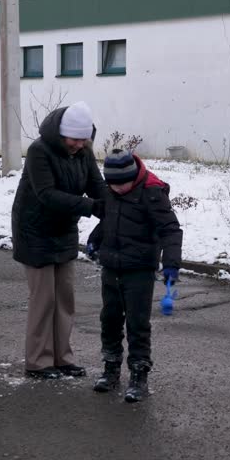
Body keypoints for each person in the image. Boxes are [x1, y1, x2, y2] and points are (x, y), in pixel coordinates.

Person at [11, 101, 106, 379]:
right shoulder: (39, 151)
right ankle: (39, 362)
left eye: (83, 140)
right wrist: (91, 207)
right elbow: (47, 195)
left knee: (64, 298)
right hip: (34, 231)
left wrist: (115, 204)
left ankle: (63, 358)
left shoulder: (83, 152)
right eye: (74, 140)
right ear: (62, 133)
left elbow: (95, 185)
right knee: (44, 299)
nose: (78, 145)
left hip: (64, 230)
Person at [86, 149, 182, 402]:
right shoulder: (112, 190)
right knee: (110, 319)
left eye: (122, 184)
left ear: (134, 176)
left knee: (137, 324)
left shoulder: (152, 193)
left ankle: (139, 375)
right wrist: (95, 240)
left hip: (139, 269)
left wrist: (171, 263)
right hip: (111, 267)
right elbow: (109, 220)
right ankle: (111, 368)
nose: (117, 189)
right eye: (112, 185)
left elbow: (171, 230)